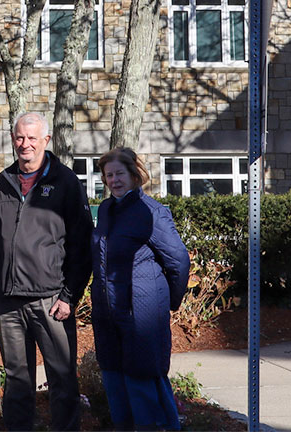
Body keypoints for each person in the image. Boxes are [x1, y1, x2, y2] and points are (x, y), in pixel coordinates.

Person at [0, 111, 93, 431]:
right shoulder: (3, 182)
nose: (24, 144)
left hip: (51, 300)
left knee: (62, 379)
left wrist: (69, 295)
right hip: (7, 302)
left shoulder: (66, 182)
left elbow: (81, 244)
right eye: (19, 137)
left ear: (46, 140)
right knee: (17, 381)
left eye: (32, 138)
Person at [91, 147, 190, 431]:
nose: (114, 180)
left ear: (135, 174)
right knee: (114, 381)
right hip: (108, 314)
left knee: (144, 382)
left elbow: (179, 260)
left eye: (119, 173)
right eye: (108, 175)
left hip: (142, 315)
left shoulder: (152, 212)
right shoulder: (108, 210)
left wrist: (167, 301)